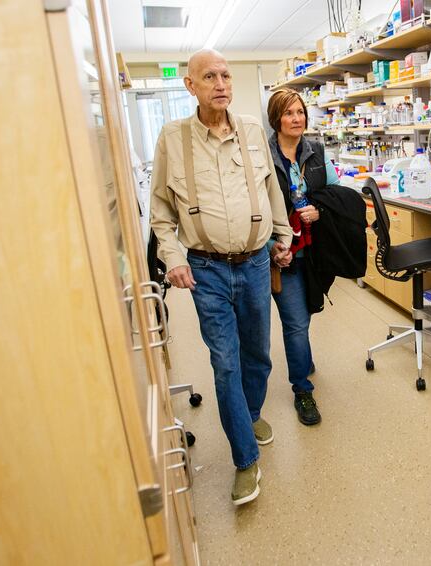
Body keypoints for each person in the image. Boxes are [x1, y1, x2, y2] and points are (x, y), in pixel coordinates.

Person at [151, 49, 292, 506]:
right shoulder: (172, 138)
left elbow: (272, 187)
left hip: (254, 263)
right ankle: (245, 459)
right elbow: (160, 211)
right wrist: (172, 256)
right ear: (190, 85)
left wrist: (282, 234)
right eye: (209, 76)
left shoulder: (252, 129)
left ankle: (249, 414)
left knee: (258, 354)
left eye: (226, 75)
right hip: (205, 269)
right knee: (225, 362)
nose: (221, 83)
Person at [265, 89, 341, 426]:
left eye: (301, 112)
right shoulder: (263, 156)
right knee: (295, 323)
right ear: (276, 119)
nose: (297, 119)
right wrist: (271, 245)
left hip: (314, 249)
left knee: (305, 314)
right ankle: (302, 390)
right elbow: (255, 207)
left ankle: (302, 357)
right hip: (282, 252)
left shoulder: (316, 151)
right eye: (289, 113)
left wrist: (320, 210)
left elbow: (336, 193)